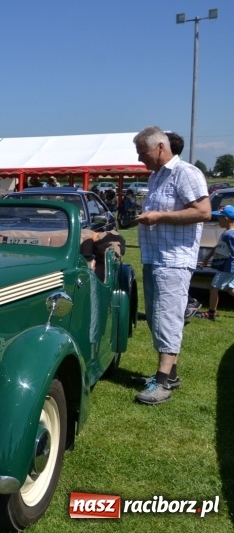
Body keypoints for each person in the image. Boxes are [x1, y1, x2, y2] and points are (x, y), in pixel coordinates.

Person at [132, 125, 211, 405]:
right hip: (155, 257)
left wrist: (160, 217)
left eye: (144, 153)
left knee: (167, 317)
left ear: (161, 147)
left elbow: (203, 211)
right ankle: (171, 374)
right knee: (156, 317)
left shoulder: (186, 172)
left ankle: (162, 382)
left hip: (174, 261)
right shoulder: (156, 177)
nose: (141, 159)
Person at [196, 205, 234, 320]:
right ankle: (212, 312)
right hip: (229, 267)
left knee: (213, 287)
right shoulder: (226, 233)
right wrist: (207, 258)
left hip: (228, 267)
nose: (218, 221)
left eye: (219, 218)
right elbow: (217, 247)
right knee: (230, 289)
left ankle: (211, 313)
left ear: (226, 219)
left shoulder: (230, 234)